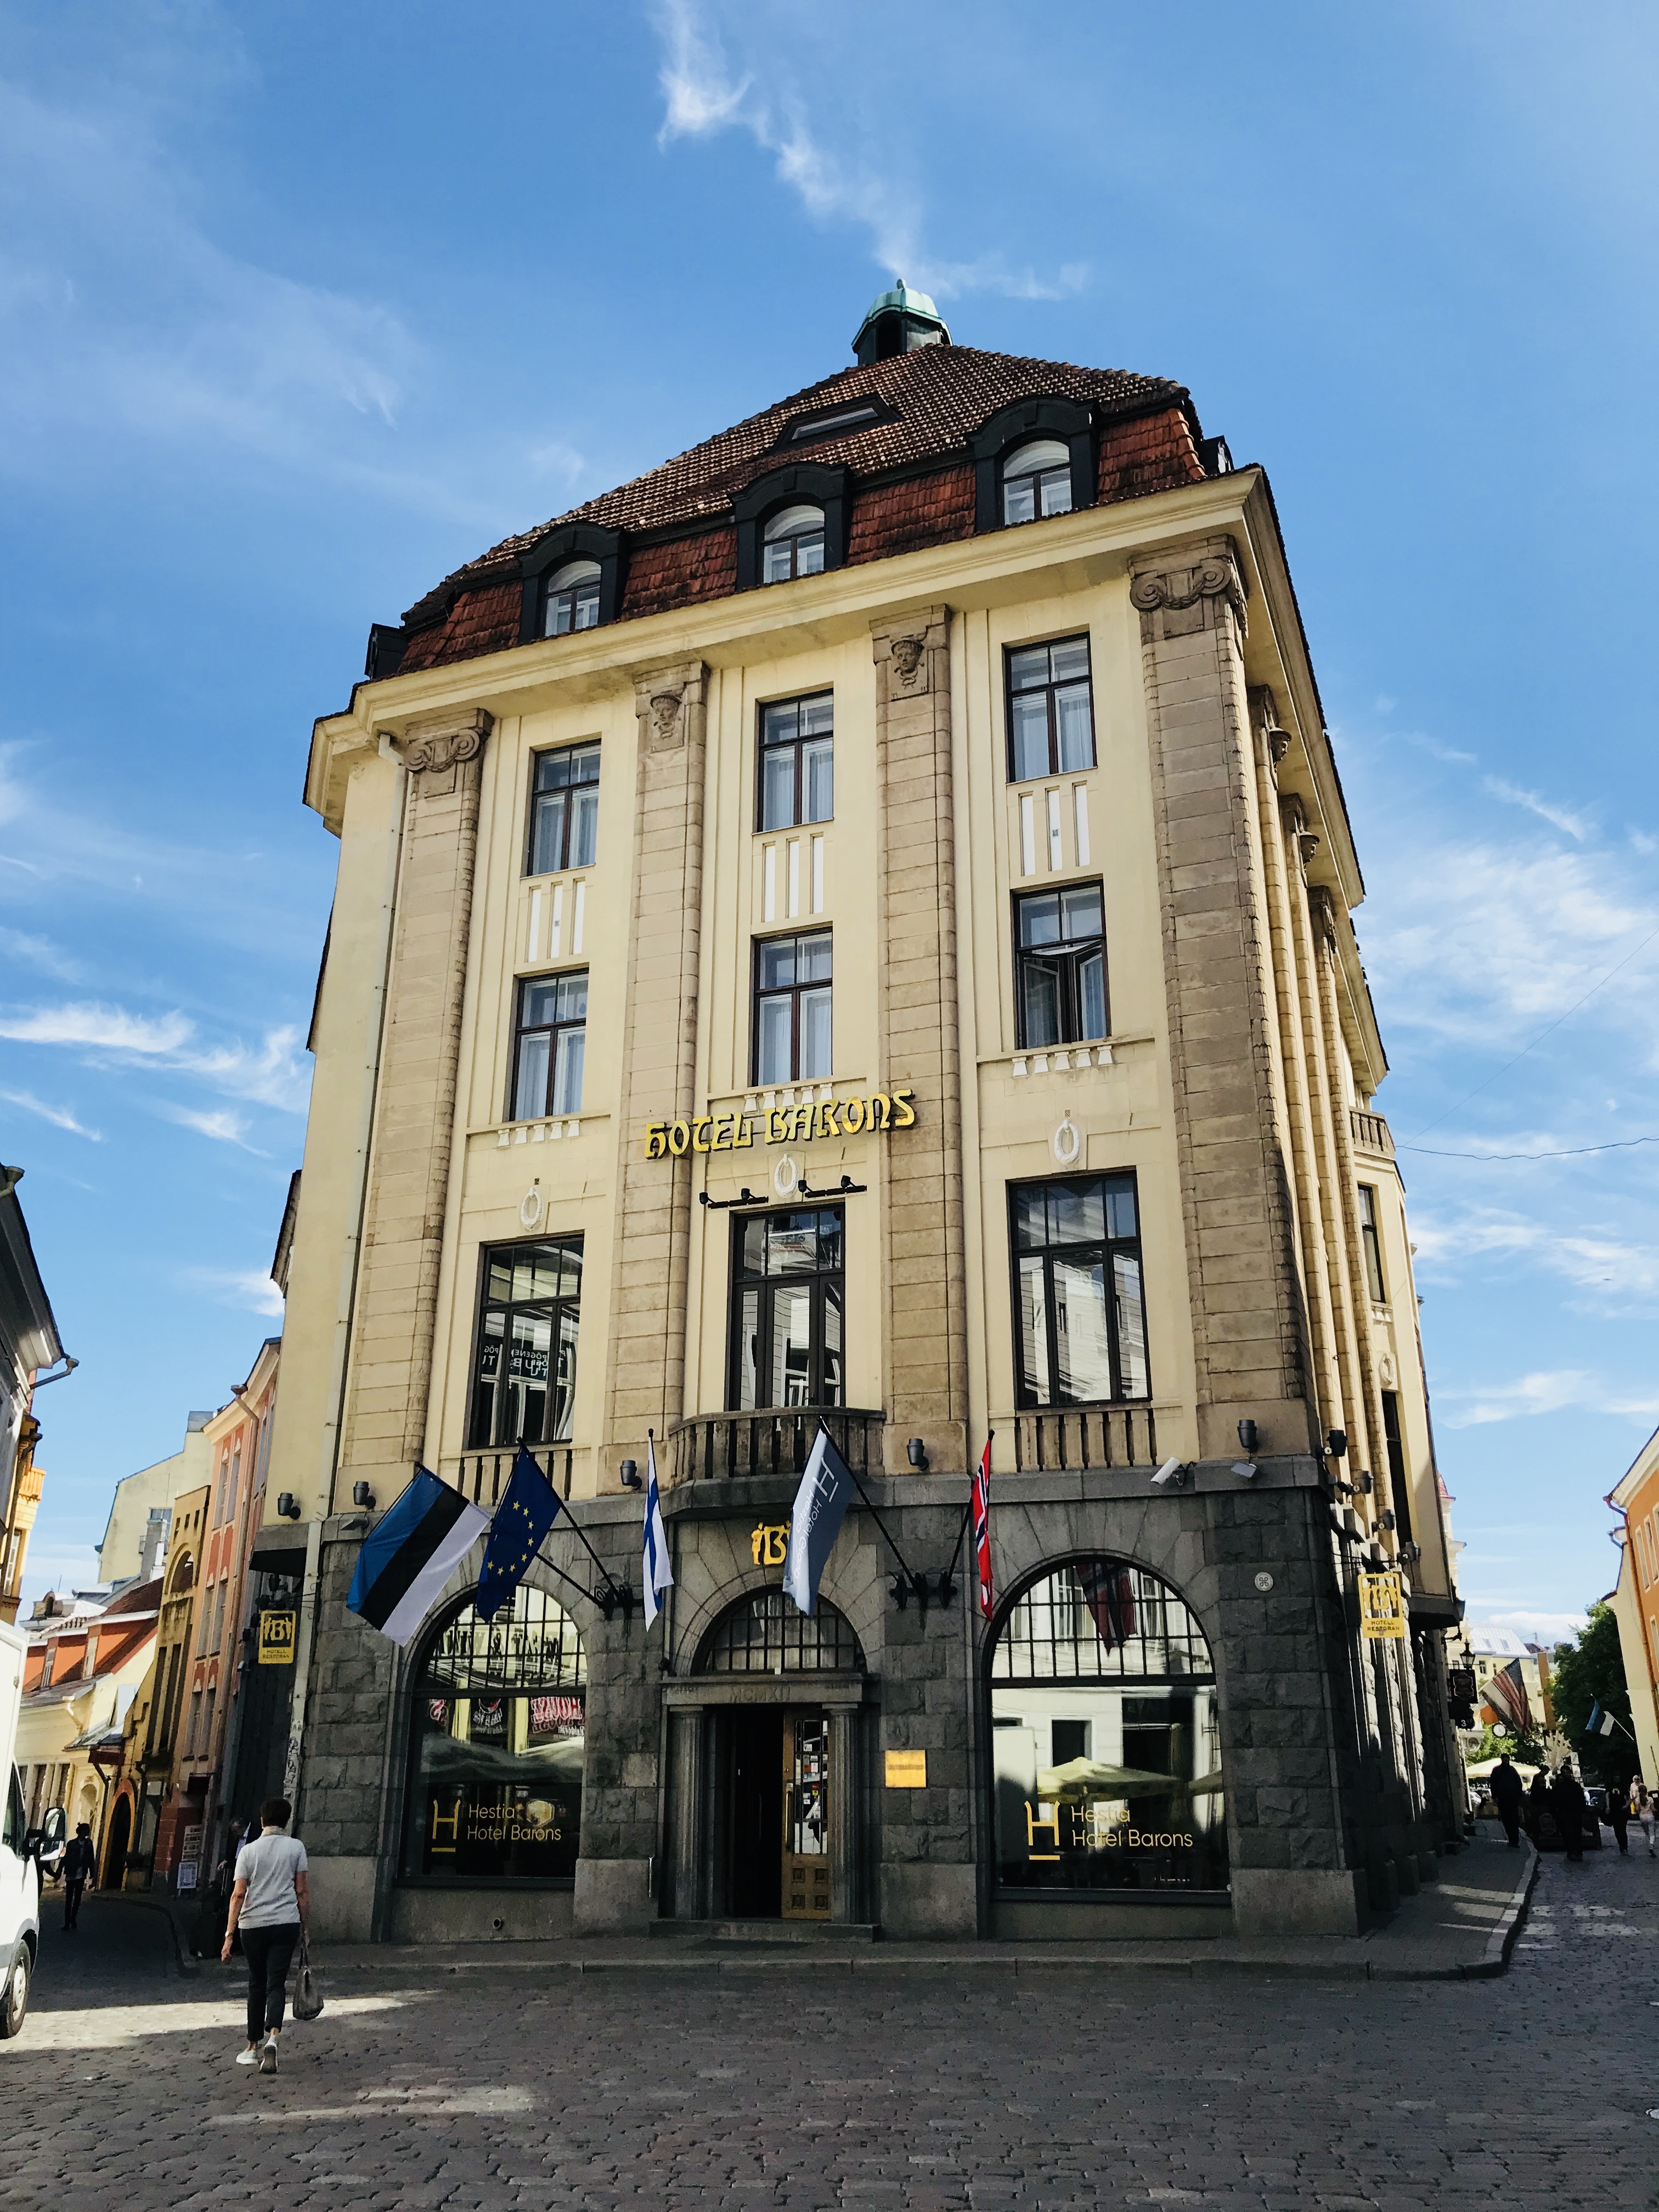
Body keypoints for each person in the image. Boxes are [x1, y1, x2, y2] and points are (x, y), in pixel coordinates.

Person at [221, 1797, 309, 2073]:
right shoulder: (296, 1848)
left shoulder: (248, 1852)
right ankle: (273, 2036)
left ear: (262, 1821)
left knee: (256, 1983)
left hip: (253, 1925)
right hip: (285, 1922)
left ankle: (251, 2046)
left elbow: (238, 1894)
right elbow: (302, 1891)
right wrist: (306, 1928)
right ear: (287, 1821)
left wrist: (229, 1935)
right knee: (277, 1983)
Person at [61, 1822, 95, 1929]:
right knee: (69, 1899)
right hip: (71, 1873)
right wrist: (59, 1871)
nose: (87, 1832)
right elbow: (66, 1858)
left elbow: (91, 1858)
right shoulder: (72, 1844)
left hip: (81, 1873)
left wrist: (92, 1872)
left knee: (77, 1898)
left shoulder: (89, 1844)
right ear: (81, 1831)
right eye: (86, 1830)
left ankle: (73, 1920)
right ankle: (67, 1922)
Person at [1552, 1761, 1587, 1863]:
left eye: (1567, 1772)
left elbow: (1581, 1799)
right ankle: (1571, 1852)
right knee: (1568, 1833)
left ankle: (1578, 1852)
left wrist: (1582, 1810)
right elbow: (1555, 1800)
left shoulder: (1575, 1786)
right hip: (1565, 1813)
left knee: (1577, 1833)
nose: (1566, 1774)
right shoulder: (1559, 1787)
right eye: (1564, 1773)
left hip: (1576, 1812)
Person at [1489, 1754, 1525, 1848]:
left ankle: (1515, 1840)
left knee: (1514, 1819)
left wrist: (1519, 1795)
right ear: (1502, 1760)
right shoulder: (1497, 1771)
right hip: (1503, 1799)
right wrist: (1495, 1796)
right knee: (1506, 1819)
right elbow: (1493, 1784)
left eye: (1508, 1760)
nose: (1507, 1761)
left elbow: (1519, 1783)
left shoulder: (1512, 1770)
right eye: (1505, 1760)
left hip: (1513, 1799)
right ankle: (1511, 1838)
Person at [1605, 1775, 1630, 1855]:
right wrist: (1608, 1807)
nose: (1617, 1779)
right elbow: (1607, 1796)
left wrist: (1627, 1806)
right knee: (1617, 1830)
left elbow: (1629, 1798)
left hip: (1622, 1810)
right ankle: (1621, 1846)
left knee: (1623, 1829)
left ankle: (1625, 1847)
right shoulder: (1610, 1786)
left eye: (1618, 1777)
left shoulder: (1623, 1786)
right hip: (1614, 1811)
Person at [1635, 1778, 1655, 1857]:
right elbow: (1653, 1809)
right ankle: (1651, 1847)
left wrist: (1639, 1813)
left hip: (1642, 1817)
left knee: (1646, 1833)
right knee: (1652, 1833)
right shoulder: (1650, 1799)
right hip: (1650, 1817)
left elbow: (1637, 1810)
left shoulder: (1637, 1800)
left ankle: (1649, 1847)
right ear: (1646, 1791)